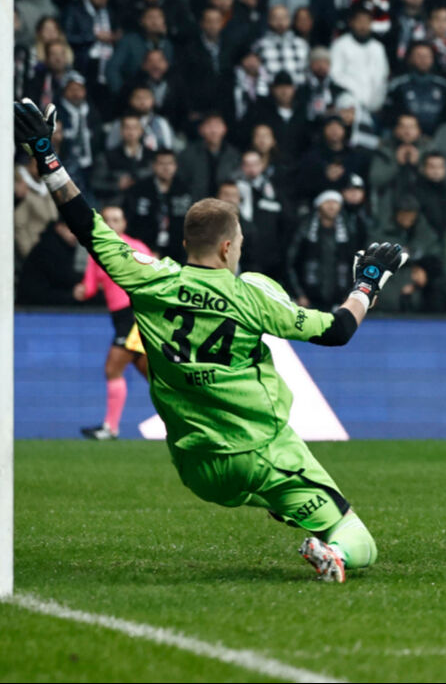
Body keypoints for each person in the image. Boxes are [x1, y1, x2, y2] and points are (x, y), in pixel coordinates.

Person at [16, 97, 406, 583]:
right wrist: (366, 285)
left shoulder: (148, 278)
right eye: (238, 240)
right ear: (228, 246)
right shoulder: (253, 295)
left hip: (196, 465)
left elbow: (84, 222)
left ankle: (287, 507)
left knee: (260, 486)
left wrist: (45, 156)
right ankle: (334, 552)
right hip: (259, 454)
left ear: (185, 245)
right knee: (358, 539)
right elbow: (338, 330)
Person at [73, 205, 154, 441]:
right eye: (107, 220)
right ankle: (187, 416)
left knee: (112, 368)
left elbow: (155, 276)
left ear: (124, 224)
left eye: (116, 220)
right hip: (120, 318)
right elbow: (89, 287)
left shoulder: (136, 247)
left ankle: (110, 428)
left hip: (134, 315)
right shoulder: (96, 252)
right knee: (153, 375)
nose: (111, 225)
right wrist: (81, 291)